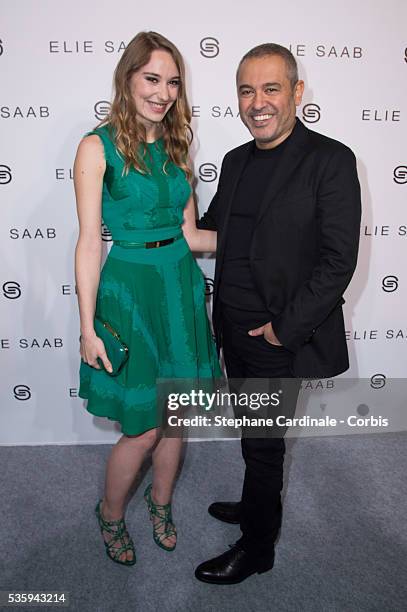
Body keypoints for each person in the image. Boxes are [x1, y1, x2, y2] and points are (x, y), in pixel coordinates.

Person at [194, 43, 361, 584]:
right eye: (247, 90)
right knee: (253, 433)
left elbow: (339, 260)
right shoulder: (237, 160)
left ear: (296, 92)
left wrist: (283, 330)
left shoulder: (331, 160)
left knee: (265, 444)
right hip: (232, 328)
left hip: (276, 339)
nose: (257, 102)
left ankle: (257, 548)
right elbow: (213, 232)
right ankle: (254, 505)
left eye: (270, 88)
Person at [74, 31, 221, 566]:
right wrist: (88, 327)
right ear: (128, 79)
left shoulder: (179, 149)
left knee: (177, 416)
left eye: (173, 82)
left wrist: (263, 241)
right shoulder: (97, 146)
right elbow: (90, 240)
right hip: (130, 289)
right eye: (152, 79)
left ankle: (160, 505)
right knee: (143, 426)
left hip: (178, 283)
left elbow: (195, 236)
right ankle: (111, 514)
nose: (163, 93)